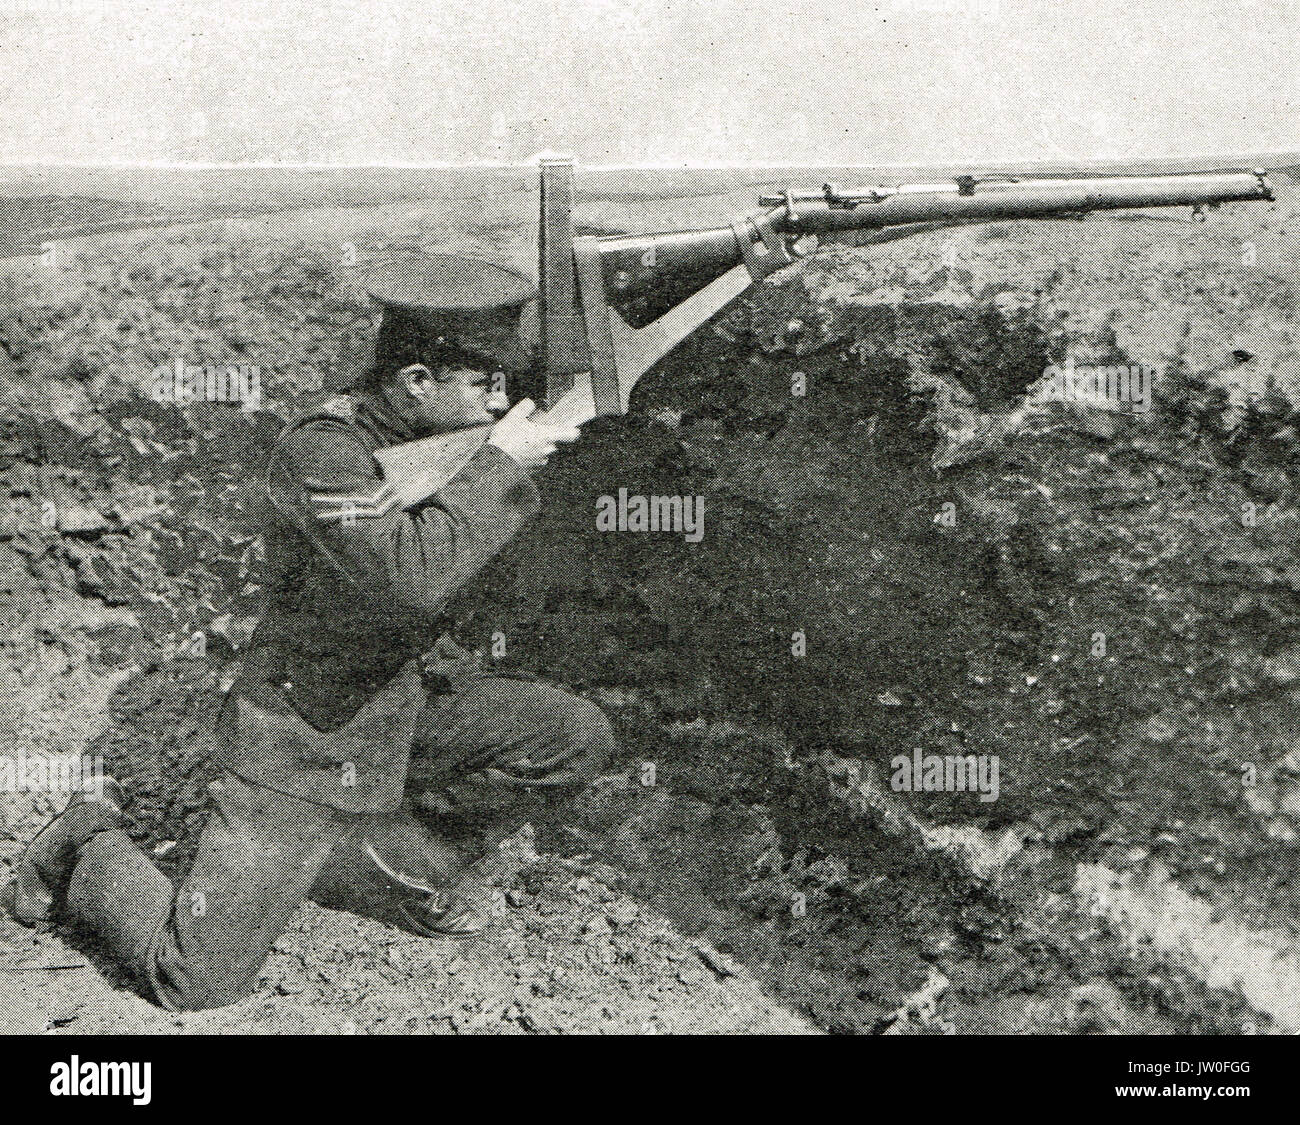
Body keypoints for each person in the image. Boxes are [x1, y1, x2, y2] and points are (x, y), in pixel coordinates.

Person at [8, 254, 615, 1011]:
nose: (501, 401)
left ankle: (390, 864)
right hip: (304, 738)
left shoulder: (438, 426)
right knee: (194, 982)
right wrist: (496, 468)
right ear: (415, 382)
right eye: (483, 385)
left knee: (572, 735)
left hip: (405, 705)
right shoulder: (320, 452)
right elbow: (408, 577)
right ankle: (85, 846)